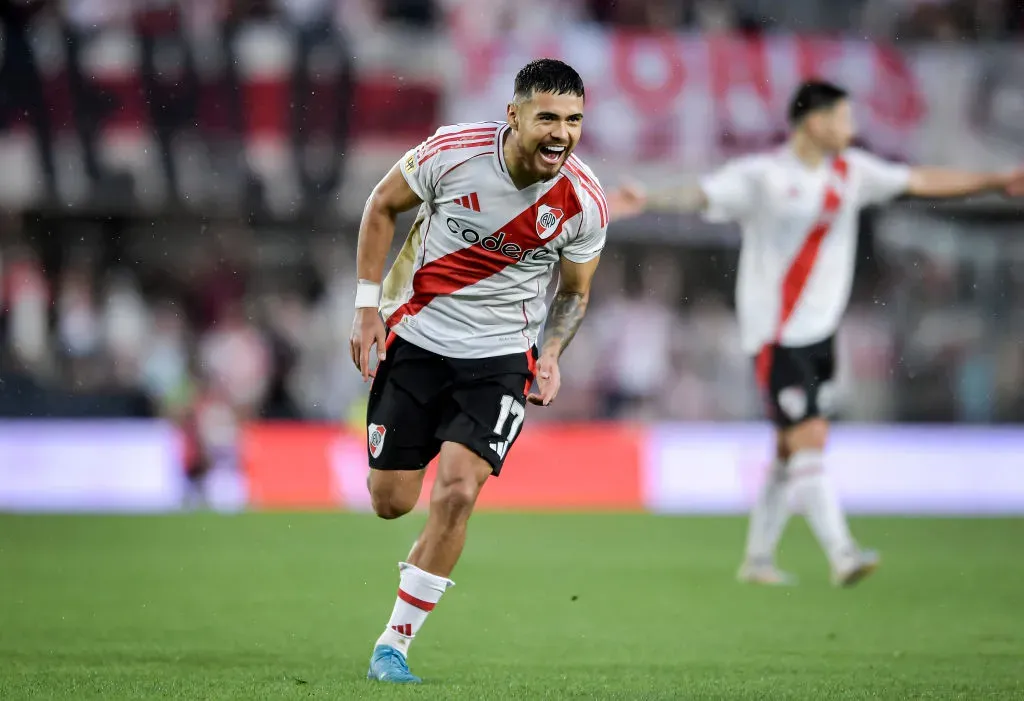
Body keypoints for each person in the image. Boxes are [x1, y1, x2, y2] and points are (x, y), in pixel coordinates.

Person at [609, 80, 1024, 587]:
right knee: (810, 439)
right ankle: (842, 553)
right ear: (814, 121)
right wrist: (648, 197)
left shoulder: (853, 174)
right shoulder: (764, 176)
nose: (852, 128)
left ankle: (757, 560)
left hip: (822, 335)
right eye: (844, 118)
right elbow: (700, 194)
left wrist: (996, 181)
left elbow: (920, 180)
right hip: (777, 335)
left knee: (789, 449)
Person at [349, 58, 610, 683]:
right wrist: (365, 310)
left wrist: (549, 354)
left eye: (573, 120)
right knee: (391, 502)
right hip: (416, 340)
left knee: (459, 493)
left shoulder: (584, 201)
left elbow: (575, 293)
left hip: (498, 361)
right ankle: (416, 558)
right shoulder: (453, 152)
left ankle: (394, 645)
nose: (561, 133)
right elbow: (382, 205)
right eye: (547, 117)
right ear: (514, 114)